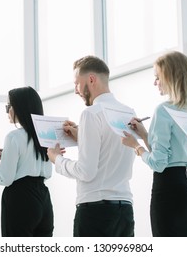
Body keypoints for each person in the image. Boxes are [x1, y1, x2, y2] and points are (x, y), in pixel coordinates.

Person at [47, 55, 135, 237]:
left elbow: (86, 171)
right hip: (124, 210)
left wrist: (57, 159)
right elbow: (110, 149)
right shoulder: (129, 112)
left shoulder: (91, 114)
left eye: (77, 84)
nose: (76, 91)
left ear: (91, 79)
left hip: (96, 212)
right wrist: (82, 136)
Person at [121, 51, 187, 237]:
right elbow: (171, 152)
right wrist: (144, 133)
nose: (155, 82)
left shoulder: (163, 110)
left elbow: (159, 163)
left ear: (170, 77)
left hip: (169, 189)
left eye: (157, 77)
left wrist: (136, 146)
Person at [0, 86, 53, 237]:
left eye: (8, 106)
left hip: (20, 198)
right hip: (44, 197)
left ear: (19, 108)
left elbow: (4, 178)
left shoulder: (14, 137)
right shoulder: (45, 135)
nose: (7, 111)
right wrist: (10, 155)